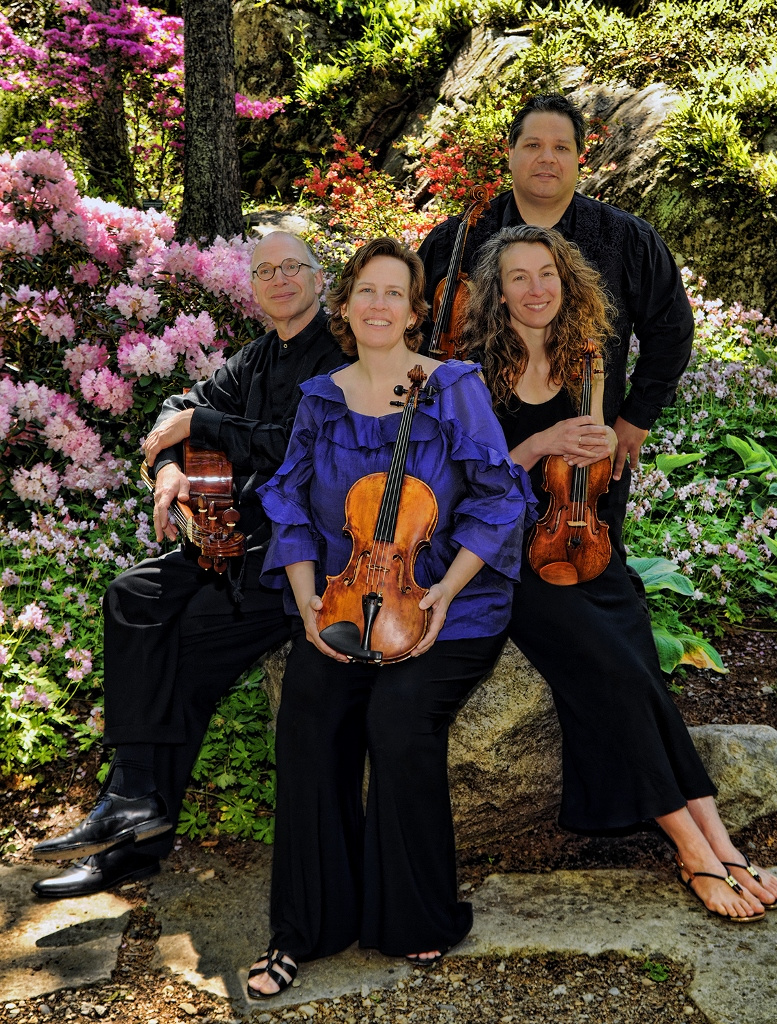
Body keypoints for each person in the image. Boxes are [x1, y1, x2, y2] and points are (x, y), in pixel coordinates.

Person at [460, 223, 777, 923]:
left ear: (565, 279)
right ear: (498, 292)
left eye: (546, 273)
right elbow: (467, 483)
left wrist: (600, 442)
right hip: (510, 557)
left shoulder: (588, 358)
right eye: (518, 277)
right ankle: (693, 849)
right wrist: (542, 442)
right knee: (614, 670)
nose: (536, 289)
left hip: (585, 540)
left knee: (638, 674)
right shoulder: (474, 373)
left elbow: (596, 470)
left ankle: (718, 842)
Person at [246, 237, 534, 998]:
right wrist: (307, 600)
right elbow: (289, 504)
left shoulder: (452, 386)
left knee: (399, 718)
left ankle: (417, 915)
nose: (378, 305)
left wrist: (444, 593)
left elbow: (499, 498)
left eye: (394, 293)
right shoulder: (320, 398)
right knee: (309, 715)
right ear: (344, 306)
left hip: (449, 604)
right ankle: (303, 928)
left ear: (414, 312)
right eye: (365, 291)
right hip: (346, 598)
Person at [31, 231, 346, 898]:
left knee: (180, 655)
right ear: (252, 288)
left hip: (299, 559)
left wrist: (202, 423)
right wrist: (171, 466)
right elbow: (177, 407)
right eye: (265, 271)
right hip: (232, 539)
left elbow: (298, 444)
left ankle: (133, 835)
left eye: (293, 267)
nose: (279, 279)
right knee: (132, 595)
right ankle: (134, 802)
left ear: (320, 281)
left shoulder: (341, 355)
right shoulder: (257, 356)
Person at [418, 92, 695, 570]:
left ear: (579, 158)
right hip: (482, 450)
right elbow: (417, 330)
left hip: (586, 464)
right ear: (510, 153)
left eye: (561, 147)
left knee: (588, 573)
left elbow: (671, 328)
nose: (546, 158)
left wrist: (636, 417)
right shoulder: (457, 238)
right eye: (532, 145)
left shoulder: (627, 238)